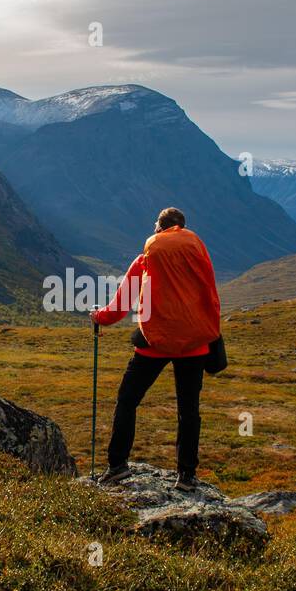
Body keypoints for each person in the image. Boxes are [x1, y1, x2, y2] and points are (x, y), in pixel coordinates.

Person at [91, 207, 221, 491]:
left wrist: (98, 316)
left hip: (153, 345)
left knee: (128, 400)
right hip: (194, 346)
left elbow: (119, 308)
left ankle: (117, 467)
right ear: (183, 230)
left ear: (159, 230)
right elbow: (211, 297)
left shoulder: (146, 259)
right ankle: (186, 476)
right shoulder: (197, 258)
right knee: (189, 411)